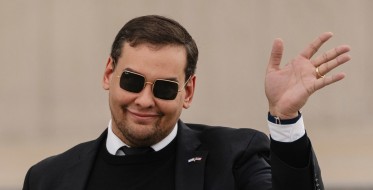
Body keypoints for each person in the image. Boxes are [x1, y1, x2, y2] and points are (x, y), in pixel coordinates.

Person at [22, 15, 351, 190]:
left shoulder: (234, 156)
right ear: (109, 74)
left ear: (188, 91)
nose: (145, 100)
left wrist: (285, 118)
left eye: (164, 88)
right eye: (132, 81)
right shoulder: (48, 178)